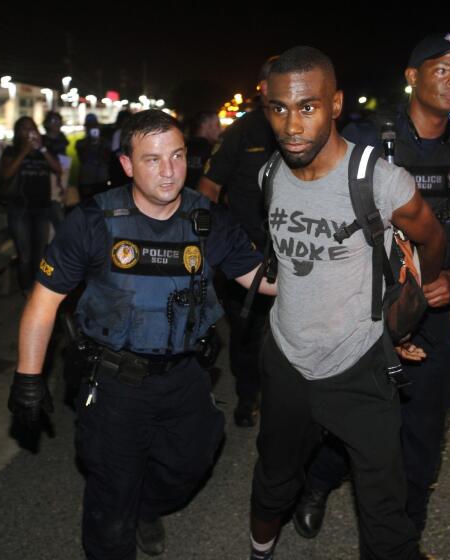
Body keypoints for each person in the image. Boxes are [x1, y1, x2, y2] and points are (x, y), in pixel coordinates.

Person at [6, 110, 276, 560]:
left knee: (190, 463)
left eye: (177, 156)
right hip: (116, 382)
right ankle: (123, 514)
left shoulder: (209, 220)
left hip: (186, 376)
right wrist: (28, 379)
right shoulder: (93, 222)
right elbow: (43, 302)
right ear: (128, 165)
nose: (169, 171)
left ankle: (145, 507)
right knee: (111, 505)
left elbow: (263, 279)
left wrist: (332, 266)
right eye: (152, 159)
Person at [292, 33, 450, 550]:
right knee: (352, 425)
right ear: (412, 76)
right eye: (444, 70)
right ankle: (318, 483)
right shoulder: (363, 139)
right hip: (358, 309)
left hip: (430, 312)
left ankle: (404, 538)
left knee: (423, 437)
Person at [248, 46, 445, 560]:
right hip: (287, 359)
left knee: (384, 507)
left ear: (335, 104)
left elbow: (431, 238)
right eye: (278, 109)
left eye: (307, 107)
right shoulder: (268, 176)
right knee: (273, 481)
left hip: (360, 365)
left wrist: (405, 320)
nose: (292, 125)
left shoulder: (377, 178)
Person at [197, 56, 278, 427]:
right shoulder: (241, 133)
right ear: (262, 86)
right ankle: (248, 397)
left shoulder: (312, 128)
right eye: (273, 80)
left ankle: (290, 403)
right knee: (245, 333)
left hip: (298, 252)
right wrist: (216, 242)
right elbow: (209, 187)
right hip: (245, 252)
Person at [1, 115, 63, 292]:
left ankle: (38, 291)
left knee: (40, 254)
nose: (29, 132)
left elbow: (58, 169)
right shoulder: (11, 151)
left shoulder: (44, 150)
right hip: (19, 209)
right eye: (24, 129)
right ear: (18, 132)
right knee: (25, 255)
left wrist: (42, 149)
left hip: (41, 208)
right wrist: (24, 151)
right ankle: (27, 291)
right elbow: (6, 174)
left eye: (32, 128)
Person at [42, 110, 71, 228]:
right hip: (46, 180)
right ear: (47, 123)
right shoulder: (42, 141)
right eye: (53, 120)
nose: (57, 123)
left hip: (60, 179)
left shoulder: (62, 140)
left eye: (58, 120)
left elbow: (64, 163)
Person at [76, 113, 112, 200]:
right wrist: (90, 143)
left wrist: (99, 144)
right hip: (86, 180)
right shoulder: (80, 143)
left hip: (102, 179)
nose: (91, 127)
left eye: (94, 125)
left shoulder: (105, 142)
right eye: (89, 125)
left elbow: (107, 159)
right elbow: (82, 159)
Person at [185, 111, 222, 189]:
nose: (220, 130)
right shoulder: (214, 152)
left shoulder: (182, 147)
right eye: (218, 125)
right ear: (205, 126)